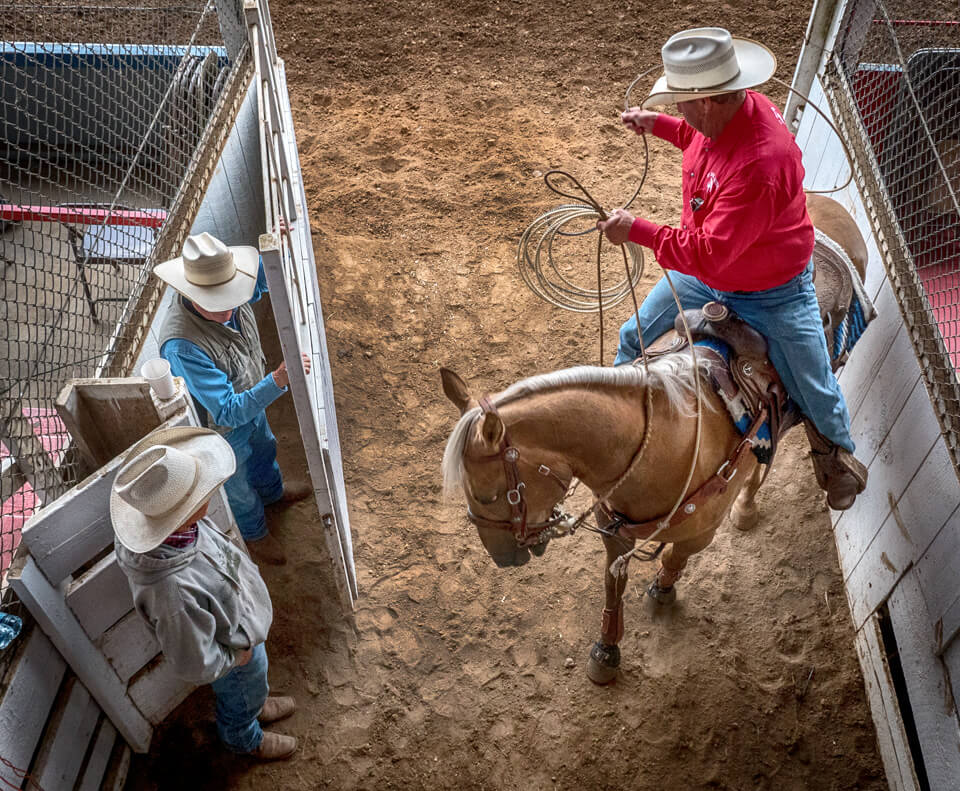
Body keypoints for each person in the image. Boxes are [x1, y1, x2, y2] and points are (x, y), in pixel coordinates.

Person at [596, 27, 867, 510]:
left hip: (771, 292)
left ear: (707, 101)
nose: (678, 108)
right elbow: (696, 141)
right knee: (631, 335)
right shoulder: (724, 116)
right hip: (713, 269)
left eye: (681, 102)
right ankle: (620, 423)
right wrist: (655, 123)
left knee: (813, 384)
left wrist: (636, 229)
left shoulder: (761, 164)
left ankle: (837, 456)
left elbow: (707, 254)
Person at [110, 425, 298, 761]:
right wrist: (233, 658)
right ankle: (244, 736)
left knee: (254, 682)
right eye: (199, 493)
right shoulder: (171, 593)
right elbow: (193, 661)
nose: (209, 492)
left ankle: (256, 703)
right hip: (232, 654)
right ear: (178, 516)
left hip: (236, 625)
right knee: (243, 687)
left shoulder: (182, 530)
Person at [154, 232, 311, 564]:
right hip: (223, 429)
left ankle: (274, 494)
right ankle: (255, 534)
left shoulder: (230, 291)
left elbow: (259, 285)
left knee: (265, 448)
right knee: (237, 485)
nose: (229, 308)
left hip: (250, 399)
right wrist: (278, 381)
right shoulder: (182, 344)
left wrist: (276, 250)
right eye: (218, 303)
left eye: (231, 296)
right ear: (192, 294)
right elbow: (225, 411)